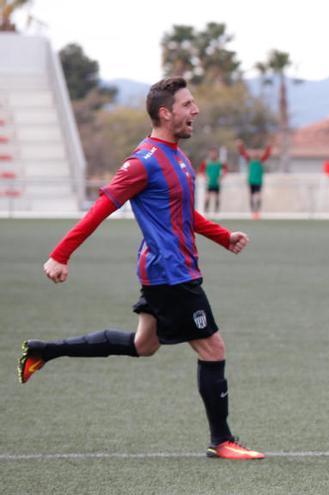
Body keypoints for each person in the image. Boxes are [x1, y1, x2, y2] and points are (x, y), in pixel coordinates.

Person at [17, 77, 264, 460]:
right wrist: (60, 254)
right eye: (187, 105)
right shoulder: (142, 163)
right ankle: (222, 440)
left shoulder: (178, 156)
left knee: (142, 346)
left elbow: (183, 212)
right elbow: (101, 209)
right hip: (171, 273)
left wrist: (222, 236)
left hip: (168, 268)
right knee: (213, 349)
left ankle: (43, 351)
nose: (194, 111)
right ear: (165, 113)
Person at [236, 138, 272, 219]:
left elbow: (267, 154)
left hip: (258, 181)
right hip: (251, 181)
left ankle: (257, 212)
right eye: (254, 152)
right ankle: (253, 212)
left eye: (257, 152)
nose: (255, 153)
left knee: (258, 196)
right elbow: (242, 153)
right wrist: (240, 145)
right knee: (252, 196)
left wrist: (269, 146)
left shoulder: (261, 161)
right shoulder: (249, 160)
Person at [198, 146, 227, 213]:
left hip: (217, 183)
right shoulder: (206, 162)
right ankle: (206, 211)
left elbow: (225, 170)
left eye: (214, 153)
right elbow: (201, 170)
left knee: (217, 197)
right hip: (209, 183)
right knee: (207, 197)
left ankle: (216, 212)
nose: (213, 154)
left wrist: (221, 177)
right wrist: (205, 177)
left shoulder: (220, 162)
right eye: (211, 153)